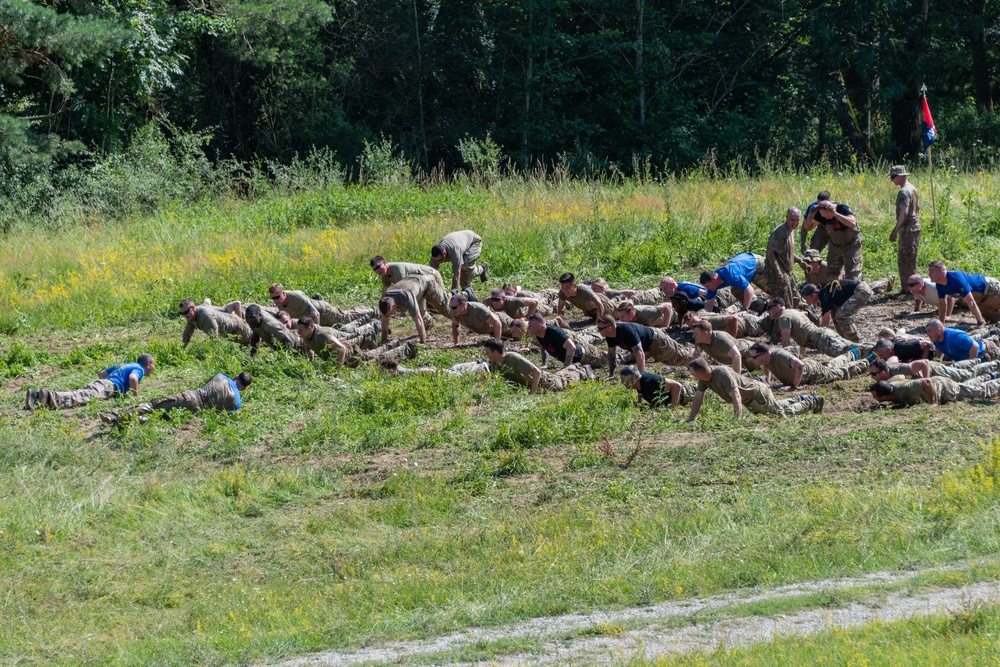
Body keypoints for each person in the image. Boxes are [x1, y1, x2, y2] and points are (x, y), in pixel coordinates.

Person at [685, 358, 823, 422]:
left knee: (781, 415)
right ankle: (800, 399)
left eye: (693, 373)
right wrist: (691, 419)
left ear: (700, 373)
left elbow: (736, 396)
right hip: (750, 399)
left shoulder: (722, 374)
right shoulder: (703, 379)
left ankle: (811, 402)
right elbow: (698, 397)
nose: (692, 376)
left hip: (757, 394)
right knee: (775, 407)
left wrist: (736, 420)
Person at [100, 372, 251, 424]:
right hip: (199, 412)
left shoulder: (221, 376)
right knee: (162, 418)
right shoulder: (236, 401)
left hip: (192, 396)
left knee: (155, 405)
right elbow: (223, 415)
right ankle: (127, 421)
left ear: (236, 376)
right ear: (244, 388)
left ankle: (117, 417)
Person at [26, 355, 154, 410]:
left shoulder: (126, 364)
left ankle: (40, 398)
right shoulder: (139, 369)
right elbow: (133, 378)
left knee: (79, 394)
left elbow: (102, 373)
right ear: (148, 365)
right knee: (78, 398)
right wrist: (135, 396)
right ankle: (40, 396)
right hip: (108, 386)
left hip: (101, 382)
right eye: (153, 365)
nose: (153, 368)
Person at [595, 315, 697, 377]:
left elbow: (640, 354)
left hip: (656, 340)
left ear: (610, 327)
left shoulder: (626, 331)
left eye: (600, 328)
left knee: (680, 357)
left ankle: (701, 356)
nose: (598, 331)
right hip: (649, 347)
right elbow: (611, 355)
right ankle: (698, 358)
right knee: (672, 360)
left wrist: (641, 376)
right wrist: (611, 374)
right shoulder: (609, 335)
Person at [296, 317, 415, 369]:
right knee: (375, 354)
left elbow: (342, 349)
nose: (298, 332)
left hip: (351, 355)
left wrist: (337, 371)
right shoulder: (306, 335)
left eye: (301, 330)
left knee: (377, 359)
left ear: (310, 328)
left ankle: (407, 347)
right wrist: (311, 362)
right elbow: (308, 347)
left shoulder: (321, 335)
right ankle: (375, 340)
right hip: (344, 354)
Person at [482, 338, 593, 392]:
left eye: (487, 352)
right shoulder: (494, 362)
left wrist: (532, 392)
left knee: (564, 382)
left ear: (495, 353)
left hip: (543, 382)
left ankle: (583, 371)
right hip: (530, 383)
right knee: (559, 375)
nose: (486, 355)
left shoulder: (513, 358)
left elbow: (537, 372)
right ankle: (574, 367)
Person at [765, 298, 860, 358]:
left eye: (769, 308)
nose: (767, 311)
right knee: (853, 347)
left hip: (819, 339)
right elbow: (802, 333)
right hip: (823, 333)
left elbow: (786, 342)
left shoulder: (783, 318)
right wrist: (802, 356)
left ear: (777, 307)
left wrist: (786, 360)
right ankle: (873, 350)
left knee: (847, 354)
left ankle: (872, 356)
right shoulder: (793, 311)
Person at [750, 342, 867, 389]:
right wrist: (768, 381)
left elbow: (799, 365)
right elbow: (767, 365)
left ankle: (868, 361)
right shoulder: (766, 359)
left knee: (841, 373)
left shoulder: (779, 355)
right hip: (810, 368)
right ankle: (853, 353)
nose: (753, 360)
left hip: (812, 373)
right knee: (831, 365)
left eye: (754, 357)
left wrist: (793, 387)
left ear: (763, 355)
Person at [801, 190, 862, 280]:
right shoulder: (822, 214)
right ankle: (837, 291)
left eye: (827, 215)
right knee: (832, 276)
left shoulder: (843, 209)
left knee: (852, 276)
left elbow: (852, 223)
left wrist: (835, 214)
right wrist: (811, 215)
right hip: (835, 246)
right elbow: (808, 227)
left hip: (851, 245)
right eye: (823, 216)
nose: (825, 218)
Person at [378, 273, 451, 343]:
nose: (391, 315)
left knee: (444, 309)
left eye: (391, 314)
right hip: (415, 289)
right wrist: (384, 340)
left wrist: (423, 342)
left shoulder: (406, 298)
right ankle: (430, 325)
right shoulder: (386, 301)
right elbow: (385, 321)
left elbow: (418, 320)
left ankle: (455, 297)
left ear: (394, 306)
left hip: (427, 283)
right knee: (422, 316)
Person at [269, 283, 376, 326]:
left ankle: (373, 311)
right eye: (273, 298)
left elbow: (315, 314)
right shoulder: (279, 303)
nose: (275, 300)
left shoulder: (297, 297)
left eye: (277, 297)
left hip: (323, 312)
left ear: (283, 293)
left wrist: (315, 332)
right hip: (311, 318)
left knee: (346, 318)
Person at [927, 261, 1000, 325]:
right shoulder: (939, 285)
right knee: (994, 321)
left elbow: (971, 301)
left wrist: (980, 322)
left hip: (991, 290)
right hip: (980, 302)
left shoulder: (956, 279)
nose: (929, 274)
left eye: (931, 271)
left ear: (941, 271)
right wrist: (941, 324)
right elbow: (942, 304)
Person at [800, 279, 873, 342]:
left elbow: (825, 323)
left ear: (813, 295)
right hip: (858, 290)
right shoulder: (825, 294)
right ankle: (844, 339)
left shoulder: (825, 297)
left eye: (807, 299)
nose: (807, 302)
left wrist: (818, 338)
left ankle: (854, 340)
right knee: (835, 314)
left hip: (861, 290)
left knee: (841, 315)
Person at [527, 313, 609, 368]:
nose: (529, 328)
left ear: (539, 325)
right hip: (579, 362)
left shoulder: (554, 332)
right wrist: (544, 364)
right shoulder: (539, 335)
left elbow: (571, 347)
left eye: (530, 326)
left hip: (588, 356)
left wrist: (566, 367)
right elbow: (543, 346)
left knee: (614, 358)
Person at [889, 165, 921, 294]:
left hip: (908, 228)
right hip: (914, 227)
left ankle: (910, 289)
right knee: (910, 258)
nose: (892, 180)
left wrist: (895, 231)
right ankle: (911, 287)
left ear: (900, 176)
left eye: (893, 177)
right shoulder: (912, 188)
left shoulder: (903, 192)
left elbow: (904, 212)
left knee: (906, 259)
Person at [870, 375, 1000, 406]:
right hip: (939, 383)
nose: (874, 399)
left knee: (980, 393)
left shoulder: (905, 390)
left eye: (876, 396)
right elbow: (902, 376)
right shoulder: (890, 384)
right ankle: (991, 375)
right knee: (966, 387)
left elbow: (926, 381)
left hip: (945, 389)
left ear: (884, 396)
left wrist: (934, 402)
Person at [699, 252, 766, 312]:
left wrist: (744, 309)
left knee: (772, 289)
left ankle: (774, 304)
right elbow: (708, 306)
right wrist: (704, 317)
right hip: (743, 270)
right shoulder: (712, 286)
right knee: (737, 291)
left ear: (714, 279)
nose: (707, 289)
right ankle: (764, 308)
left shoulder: (731, 274)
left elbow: (750, 290)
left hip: (755, 263)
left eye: (707, 286)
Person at [764, 207, 802, 307]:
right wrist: (779, 273)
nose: (795, 223)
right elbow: (770, 253)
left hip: (786, 272)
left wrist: (799, 261)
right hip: (777, 272)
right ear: (786, 217)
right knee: (784, 303)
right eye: (792, 220)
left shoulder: (791, 230)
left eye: (797, 220)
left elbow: (786, 251)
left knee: (796, 298)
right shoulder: (780, 232)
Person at [179, 298, 252, 348]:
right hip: (231, 333)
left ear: (193, 308)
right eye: (182, 313)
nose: (185, 315)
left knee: (256, 344)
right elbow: (187, 334)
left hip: (239, 329)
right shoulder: (190, 317)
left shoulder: (205, 315)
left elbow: (214, 337)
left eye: (186, 312)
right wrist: (181, 350)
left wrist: (213, 355)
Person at [689, 319, 754, 374]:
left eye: (696, 334)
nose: (693, 336)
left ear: (705, 333)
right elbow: (696, 354)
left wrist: (737, 378)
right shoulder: (699, 341)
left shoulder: (720, 339)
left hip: (749, 354)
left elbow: (737, 355)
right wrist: (693, 370)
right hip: (735, 361)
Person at [868, 357, 1000, 384]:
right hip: (933, 369)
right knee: (956, 368)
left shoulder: (902, 369)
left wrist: (927, 379)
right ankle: (981, 360)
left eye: (873, 374)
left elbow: (924, 362)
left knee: (966, 375)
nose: (872, 377)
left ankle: (995, 364)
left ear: (883, 372)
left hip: (933, 369)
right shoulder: (887, 369)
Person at [450, 292, 517, 343]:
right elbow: (455, 324)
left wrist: (497, 344)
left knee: (523, 333)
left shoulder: (478, 309)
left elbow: (497, 323)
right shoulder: (456, 312)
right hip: (495, 332)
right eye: (451, 307)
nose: (452, 310)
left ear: (463, 304)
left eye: (454, 307)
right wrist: (456, 342)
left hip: (505, 324)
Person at [620, 365, 696, 408]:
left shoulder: (651, 382)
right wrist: (640, 402)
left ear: (632, 380)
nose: (622, 383)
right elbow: (640, 389)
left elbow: (677, 386)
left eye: (623, 380)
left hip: (689, 393)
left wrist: (671, 408)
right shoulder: (637, 381)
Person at [925, 319, 1000, 361]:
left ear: (939, 330)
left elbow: (975, 347)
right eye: (927, 331)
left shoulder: (954, 336)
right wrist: (937, 362)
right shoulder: (935, 339)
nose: (927, 334)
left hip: (986, 351)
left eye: (929, 331)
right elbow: (939, 351)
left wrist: (970, 365)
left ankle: (994, 335)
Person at [370, 256, 440, 296]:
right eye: (375, 269)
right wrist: (382, 305)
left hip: (432, 274)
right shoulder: (384, 274)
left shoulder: (398, 270)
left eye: (378, 267)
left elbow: (404, 291)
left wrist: (403, 312)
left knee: (442, 301)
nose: (377, 271)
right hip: (421, 283)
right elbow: (385, 289)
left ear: (384, 263)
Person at [590, 278, 662, 306]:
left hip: (642, 296)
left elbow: (629, 293)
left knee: (658, 295)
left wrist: (633, 301)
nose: (593, 290)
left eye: (594, 288)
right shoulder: (603, 295)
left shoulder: (609, 292)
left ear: (602, 288)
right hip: (641, 296)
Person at [871, 336, 936, 363]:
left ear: (889, 350)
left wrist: (923, 361)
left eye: (882, 355)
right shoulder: (889, 344)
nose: (881, 358)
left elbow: (926, 344)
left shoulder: (902, 347)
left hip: (933, 353)